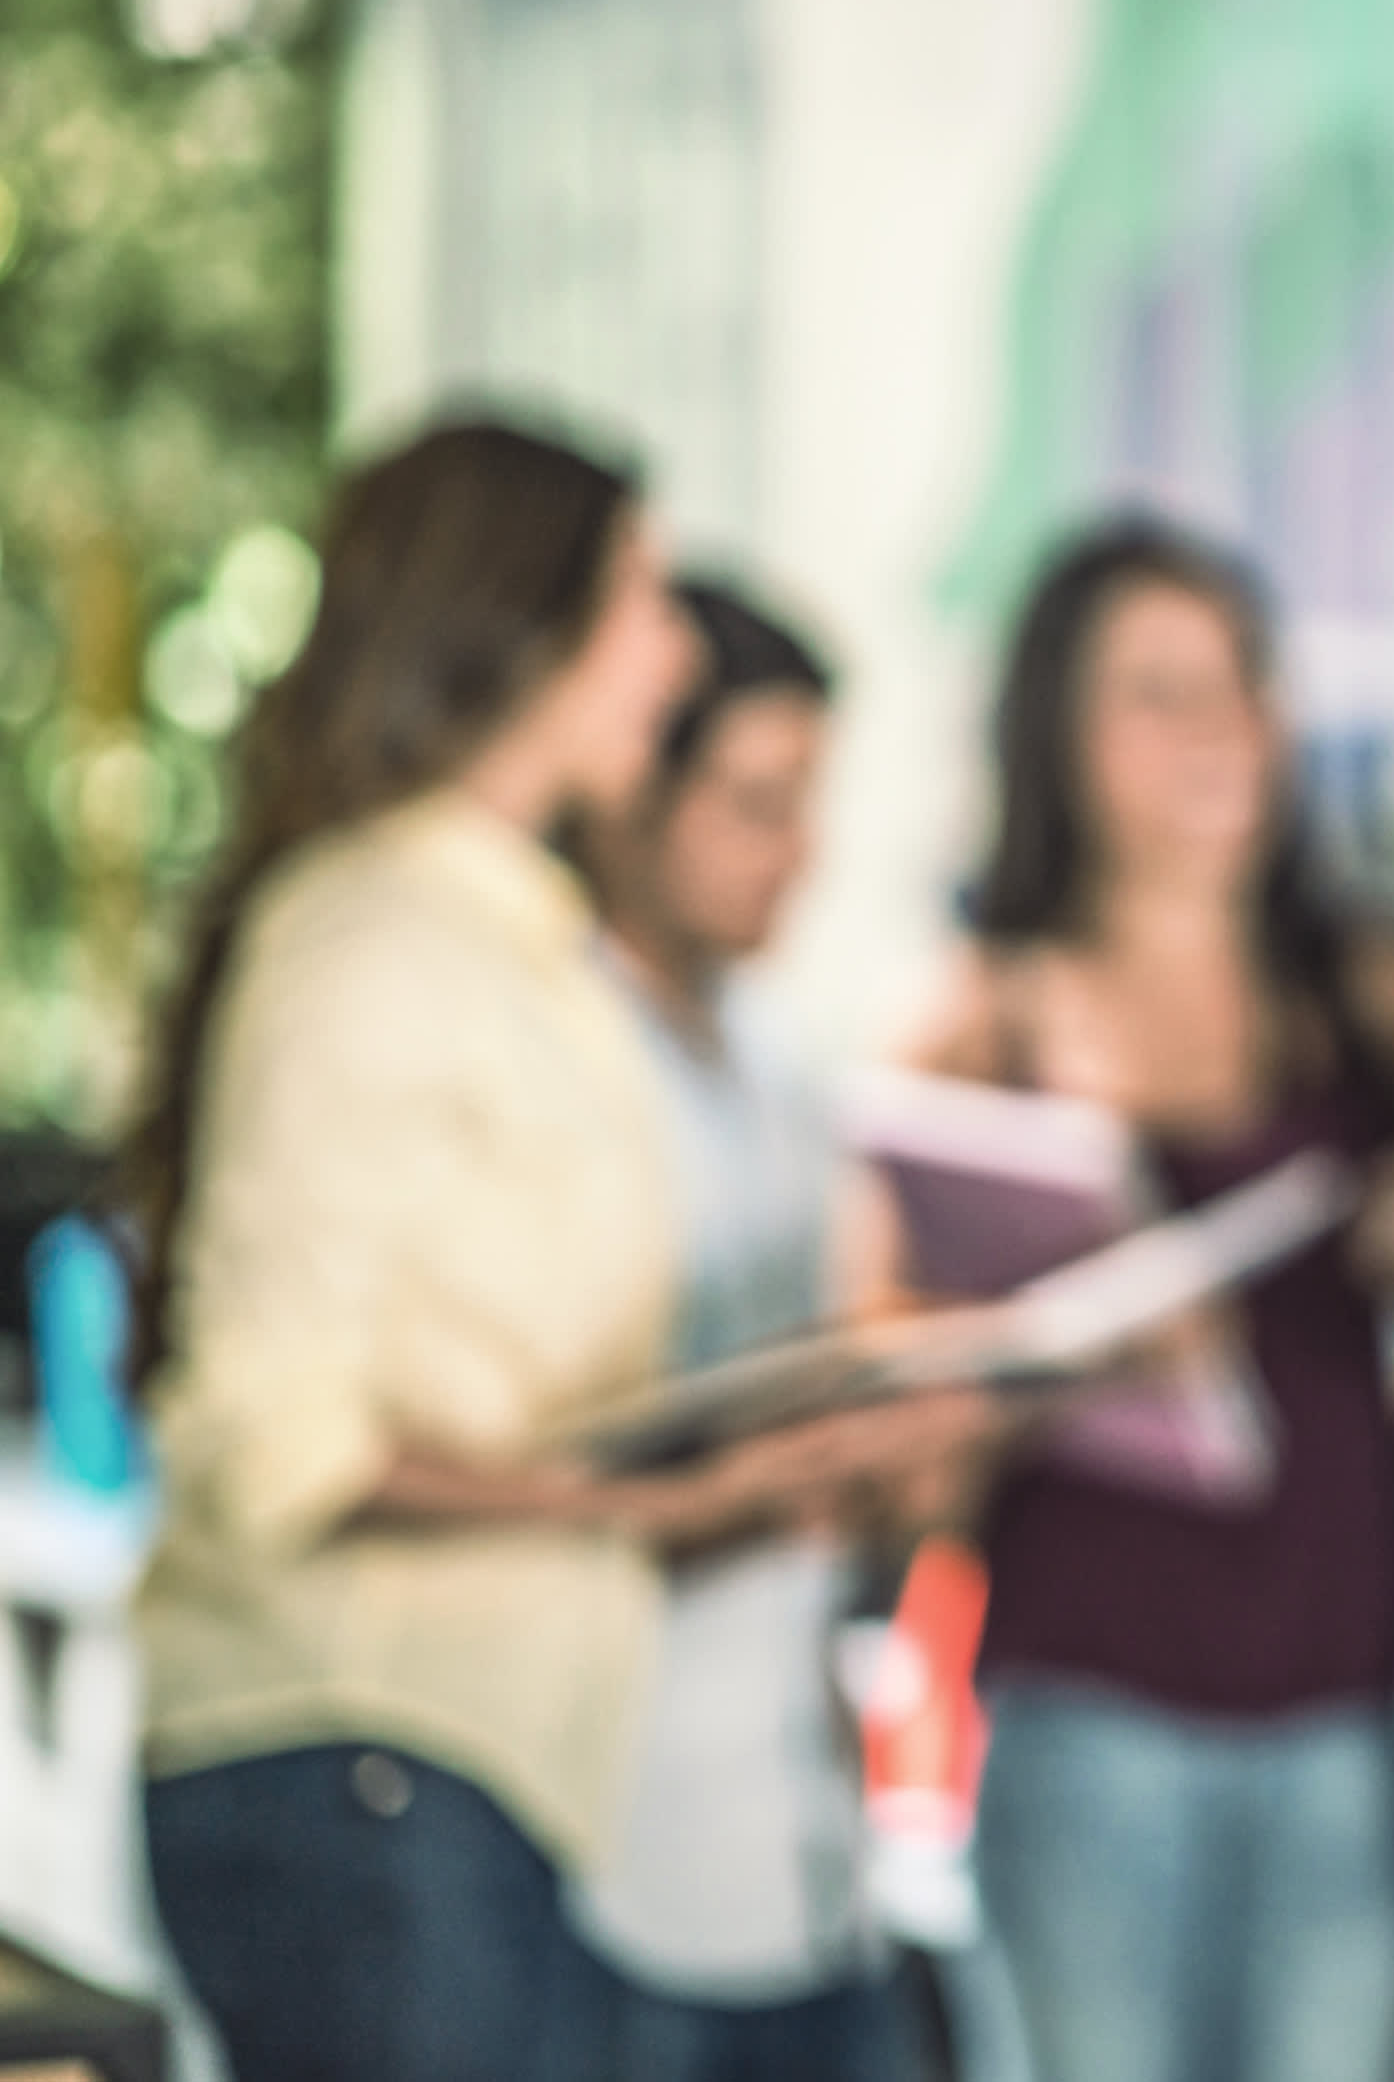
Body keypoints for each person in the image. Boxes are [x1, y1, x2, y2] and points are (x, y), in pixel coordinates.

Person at [130, 420, 980, 2082]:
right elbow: (273, 1431)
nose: (670, 655)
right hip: (363, 1770)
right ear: (523, 626)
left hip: (477, 1782)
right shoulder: (374, 939)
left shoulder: (517, 946)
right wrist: (657, 1503)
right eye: (642, 600)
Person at [907, 519, 1394, 2082]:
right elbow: (902, 1438)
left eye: (1241, 684)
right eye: (1159, 692)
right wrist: (1066, 1355)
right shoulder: (978, 1023)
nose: (1220, 731)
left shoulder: (1366, 992)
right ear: (1056, 734)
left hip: (1351, 1704)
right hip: (1094, 1709)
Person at [582, 577, 980, 2081]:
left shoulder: (774, 1052)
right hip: (616, 1858)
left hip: (808, 1848)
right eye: (758, 801)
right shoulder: (563, 1053)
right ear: (632, 794)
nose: (799, 852)